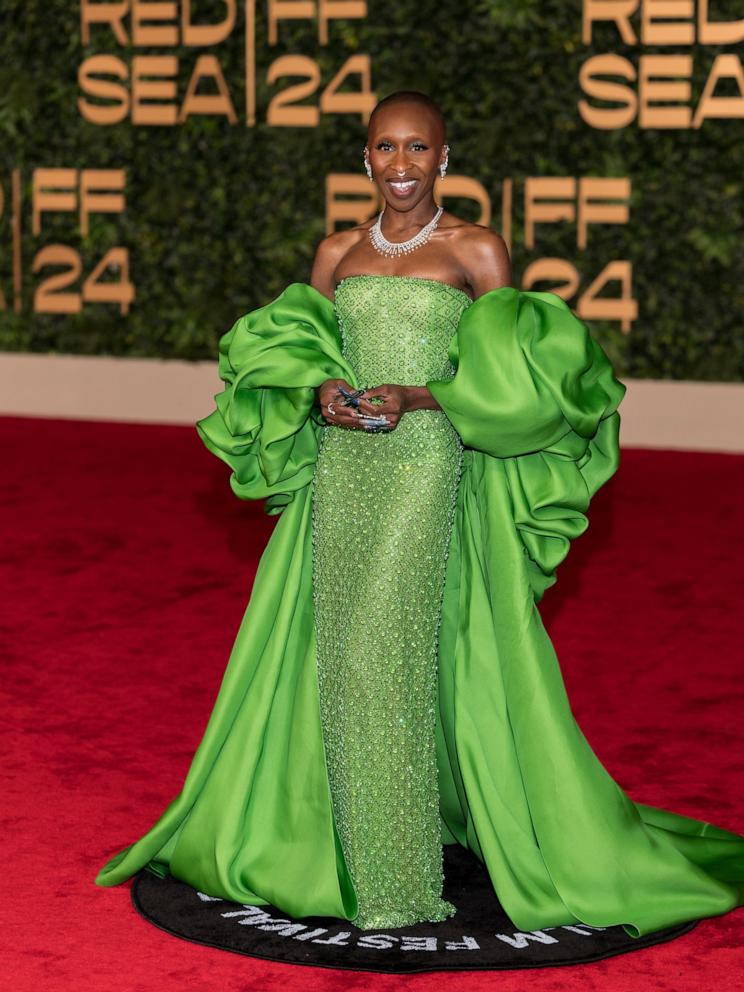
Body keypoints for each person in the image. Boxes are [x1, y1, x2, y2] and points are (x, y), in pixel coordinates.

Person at [96, 91, 744, 938]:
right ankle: (354, 843)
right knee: (342, 653)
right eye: (384, 149)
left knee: (382, 652)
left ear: (445, 156)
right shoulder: (336, 253)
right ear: (365, 158)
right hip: (345, 470)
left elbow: (510, 377)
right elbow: (307, 352)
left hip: (427, 469)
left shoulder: (475, 249)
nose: (400, 165)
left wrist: (419, 396)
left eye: (418, 149)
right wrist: (323, 391)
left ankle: (396, 879)